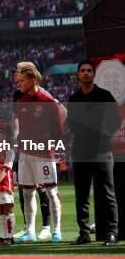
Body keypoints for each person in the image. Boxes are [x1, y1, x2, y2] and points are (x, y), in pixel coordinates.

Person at [68, 59, 120, 246]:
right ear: (78, 74)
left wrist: (102, 136)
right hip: (81, 152)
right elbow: (71, 124)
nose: (86, 73)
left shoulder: (104, 95)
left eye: (89, 70)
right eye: (82, 70)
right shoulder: (74, 99)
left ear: (93, 74)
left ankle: (112, 233)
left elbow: (116, 121)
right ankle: (84, 234)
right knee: (81, 196)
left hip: (102, 152)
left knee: (108, 194)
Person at [14, 62, 64, 244]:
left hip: (43, 153)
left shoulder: (48, 102)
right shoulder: (21, 101)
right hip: (25, 153)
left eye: (21, 80)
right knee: (27, 192)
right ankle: (29, 232)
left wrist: (51, 148)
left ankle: (56, 231)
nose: (18, 84)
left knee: (51, 191)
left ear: (32, 79)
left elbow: (58, 130)